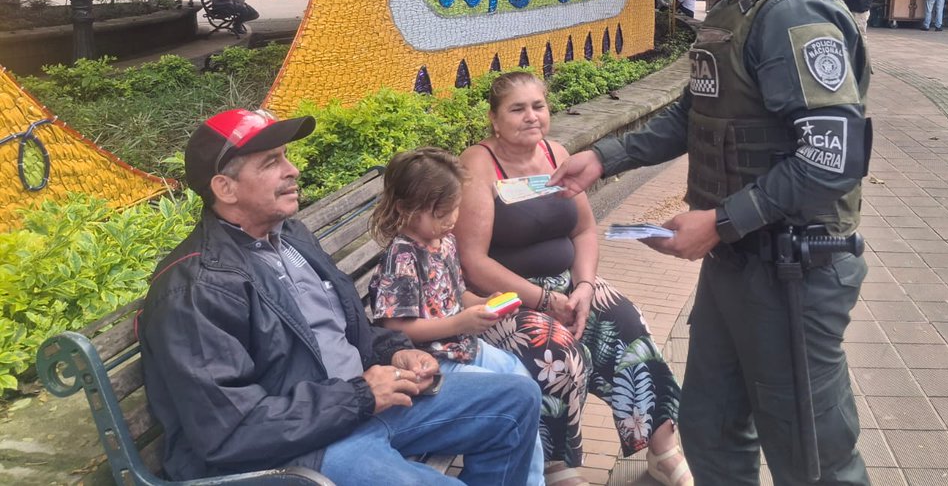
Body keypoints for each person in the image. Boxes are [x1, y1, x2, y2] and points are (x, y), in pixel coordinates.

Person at [550, 0, 871, 486]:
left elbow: (832, 157)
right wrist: (601, 158)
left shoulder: (790, 10)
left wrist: (719, 223)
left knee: (811, 458)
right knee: (712, 428)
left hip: (792, 273)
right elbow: (693, 114)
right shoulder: (737, 6)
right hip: (740, 265)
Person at [138, 109, 541, 485]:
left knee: (517, 398)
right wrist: (361, 396)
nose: (292, 170)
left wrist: (397, 352)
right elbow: (230, 428)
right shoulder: (196, 288)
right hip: (303, 449)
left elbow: (343, 331)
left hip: (360, 405)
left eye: (286, 157)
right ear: (224, 188)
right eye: (270, 163)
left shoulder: (290, 237)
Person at [457, 71, 689, 486]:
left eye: (538, 106)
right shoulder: (478, 165)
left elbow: (583, 230)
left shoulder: (554, 152)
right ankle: (556, 466)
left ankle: (662, 447)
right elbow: (473, 261)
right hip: (502, 297)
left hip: (566, 284)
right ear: (494, 119)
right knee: (554, 351)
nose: (531, 117)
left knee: (627, 322)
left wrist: (583, 287)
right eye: (517, 109)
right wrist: (544, 301)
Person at [367, 147, 546, 486]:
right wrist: (460, 323)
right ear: (406, 209)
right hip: (434, 360)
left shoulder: (444, 242)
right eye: (441, 213)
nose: (451, 220)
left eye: (455, 209)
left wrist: (481, 302)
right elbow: (397, 326)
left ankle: (532, 481)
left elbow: (454, 293)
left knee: (523, 385)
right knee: (507, 399)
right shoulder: (402, 257)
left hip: (465, 345)